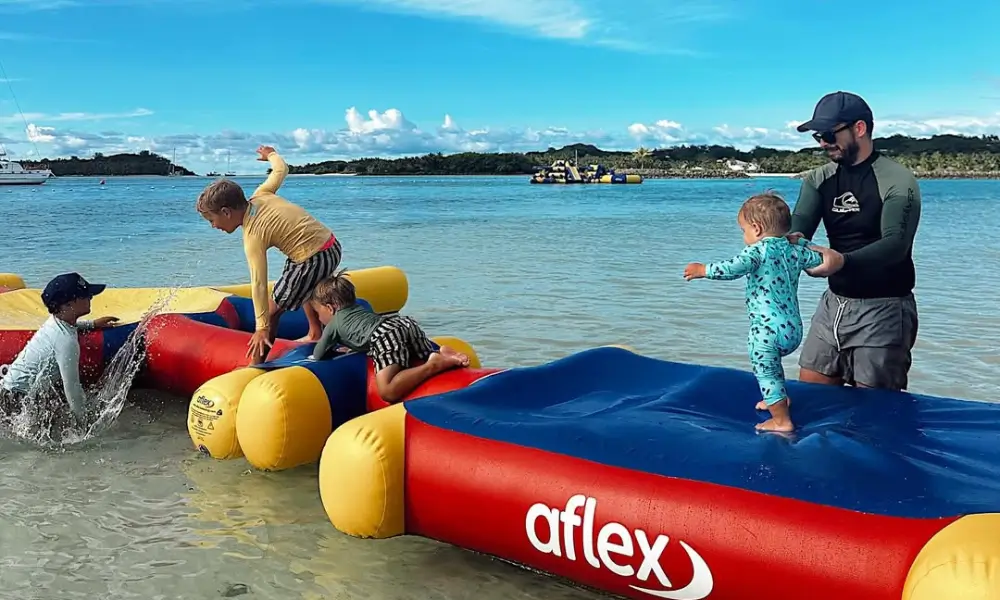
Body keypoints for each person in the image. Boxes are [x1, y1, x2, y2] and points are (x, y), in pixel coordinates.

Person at [788, 91, 921, 392]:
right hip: (832, 306)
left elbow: (896, 245)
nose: (822, 142)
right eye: (817, 136)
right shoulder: (818, 179)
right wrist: (771, 242)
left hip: (884, 310)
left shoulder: (897, 180)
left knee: (875, 418)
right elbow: (797, 233)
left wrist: (842, 261)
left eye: (828, 134)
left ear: (859, 128)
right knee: (812, 399)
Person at [684, 192, 843, 432]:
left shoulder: (757, 251)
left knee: (766, 372)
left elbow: (732, 268)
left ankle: (781, 421)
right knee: (773, 368)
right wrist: (801, 242)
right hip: (792, 329)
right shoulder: (793, 250)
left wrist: (703, 269)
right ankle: (778, 400)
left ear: (757, 229)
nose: (743, 235)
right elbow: (820, 259)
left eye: (743, 230)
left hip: (766, 330)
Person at [196, 145, 343, 365]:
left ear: (226, 212)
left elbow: (259, 284)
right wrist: (271, 155)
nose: (213, 226)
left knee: (274, 309)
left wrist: (262, 326)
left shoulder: (253, 234)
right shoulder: (261, 195)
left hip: (313, 257)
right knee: (298, 282)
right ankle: (315, 333)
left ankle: (256, 363)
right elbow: (281, 170)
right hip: (329, 245)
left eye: (212, 220)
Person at [309, 269, 470, 403]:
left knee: (387, 391)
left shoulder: (333, 324)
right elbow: (364, 331)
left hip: (384, 334)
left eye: (318, 313)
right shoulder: (359, 310)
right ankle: (442, 352)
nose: (319, 318)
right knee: (418, 354)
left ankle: (433, 364)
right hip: (401, 323)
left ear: (330, 308)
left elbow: (318, 354)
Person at [0, 273, 119, 422]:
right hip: (15, 402)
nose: (91, 297)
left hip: (9, 392)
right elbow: (72, 387)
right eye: (85, 295)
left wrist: (92, 324)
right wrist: (84, 423)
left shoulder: (56, 323)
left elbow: (70, 327)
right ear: (68, 305)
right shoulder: (66, 342)